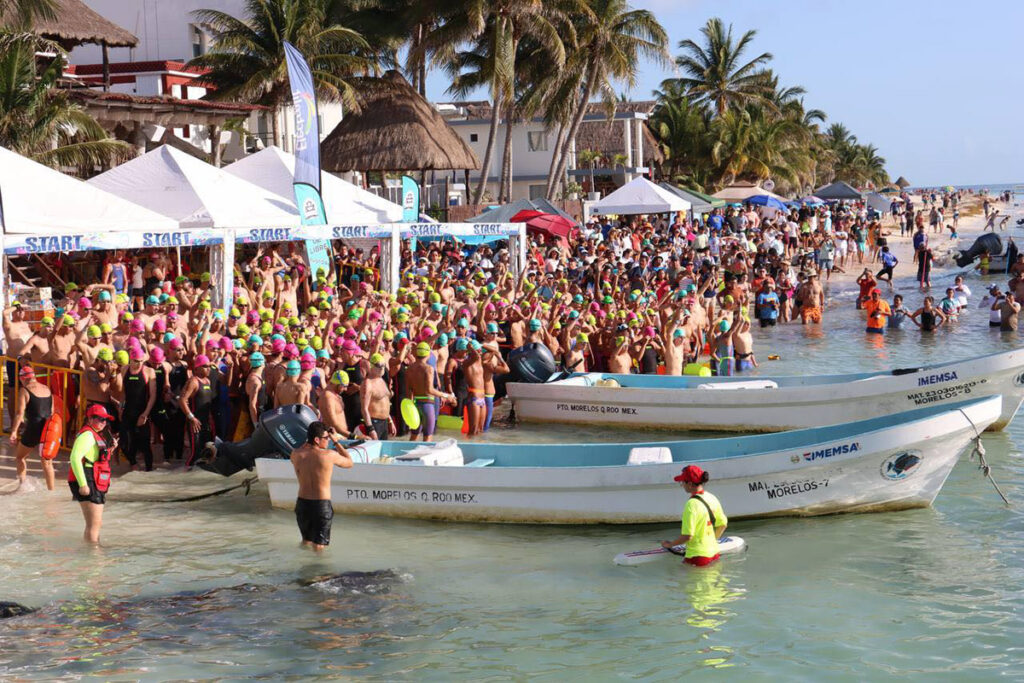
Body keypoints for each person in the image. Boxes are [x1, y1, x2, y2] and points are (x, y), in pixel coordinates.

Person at [289, 421, 352, 551]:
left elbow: (305, 448)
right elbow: (350, 462)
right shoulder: (329, 455)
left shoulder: (295, 454)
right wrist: (336, 442)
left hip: (302, 504)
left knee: (306, 542)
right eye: (326, 438)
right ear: (317, 439)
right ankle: (319, 571)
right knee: (319, 546)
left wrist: (310, 439)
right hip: (321, 506)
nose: (328, 441)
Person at [68, 404, 118, 544]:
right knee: (93, 524)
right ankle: (93, 556)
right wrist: (83, 485)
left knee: (95, 523)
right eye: (100, 419)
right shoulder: (87, 435)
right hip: (87, 478)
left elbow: (97, 457)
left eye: (105, 419)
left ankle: (93, 550)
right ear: (90, 419)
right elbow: (74, 458)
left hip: (93, 477)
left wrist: (112, 448)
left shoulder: (96, 434)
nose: (103, 422)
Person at [660, 465, 727, 567]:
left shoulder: (691, 504)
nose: (682, 485)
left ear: (690, 484)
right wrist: (712, 542)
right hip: (714, 554)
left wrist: (670, 544)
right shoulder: (711, 497)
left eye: (683, 482)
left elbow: (687, 536)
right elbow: (723, 524)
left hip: (697, 558)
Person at [9, 365, 55, 490]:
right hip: (47, 429)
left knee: (20, 457)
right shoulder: (47, 388)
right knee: (47, 462)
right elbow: (51, 411)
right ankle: (51, 491)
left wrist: (14, 432)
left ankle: (23, 486)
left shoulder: (24, 391)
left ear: (22, 378)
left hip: (33, 429)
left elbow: (19, 414)